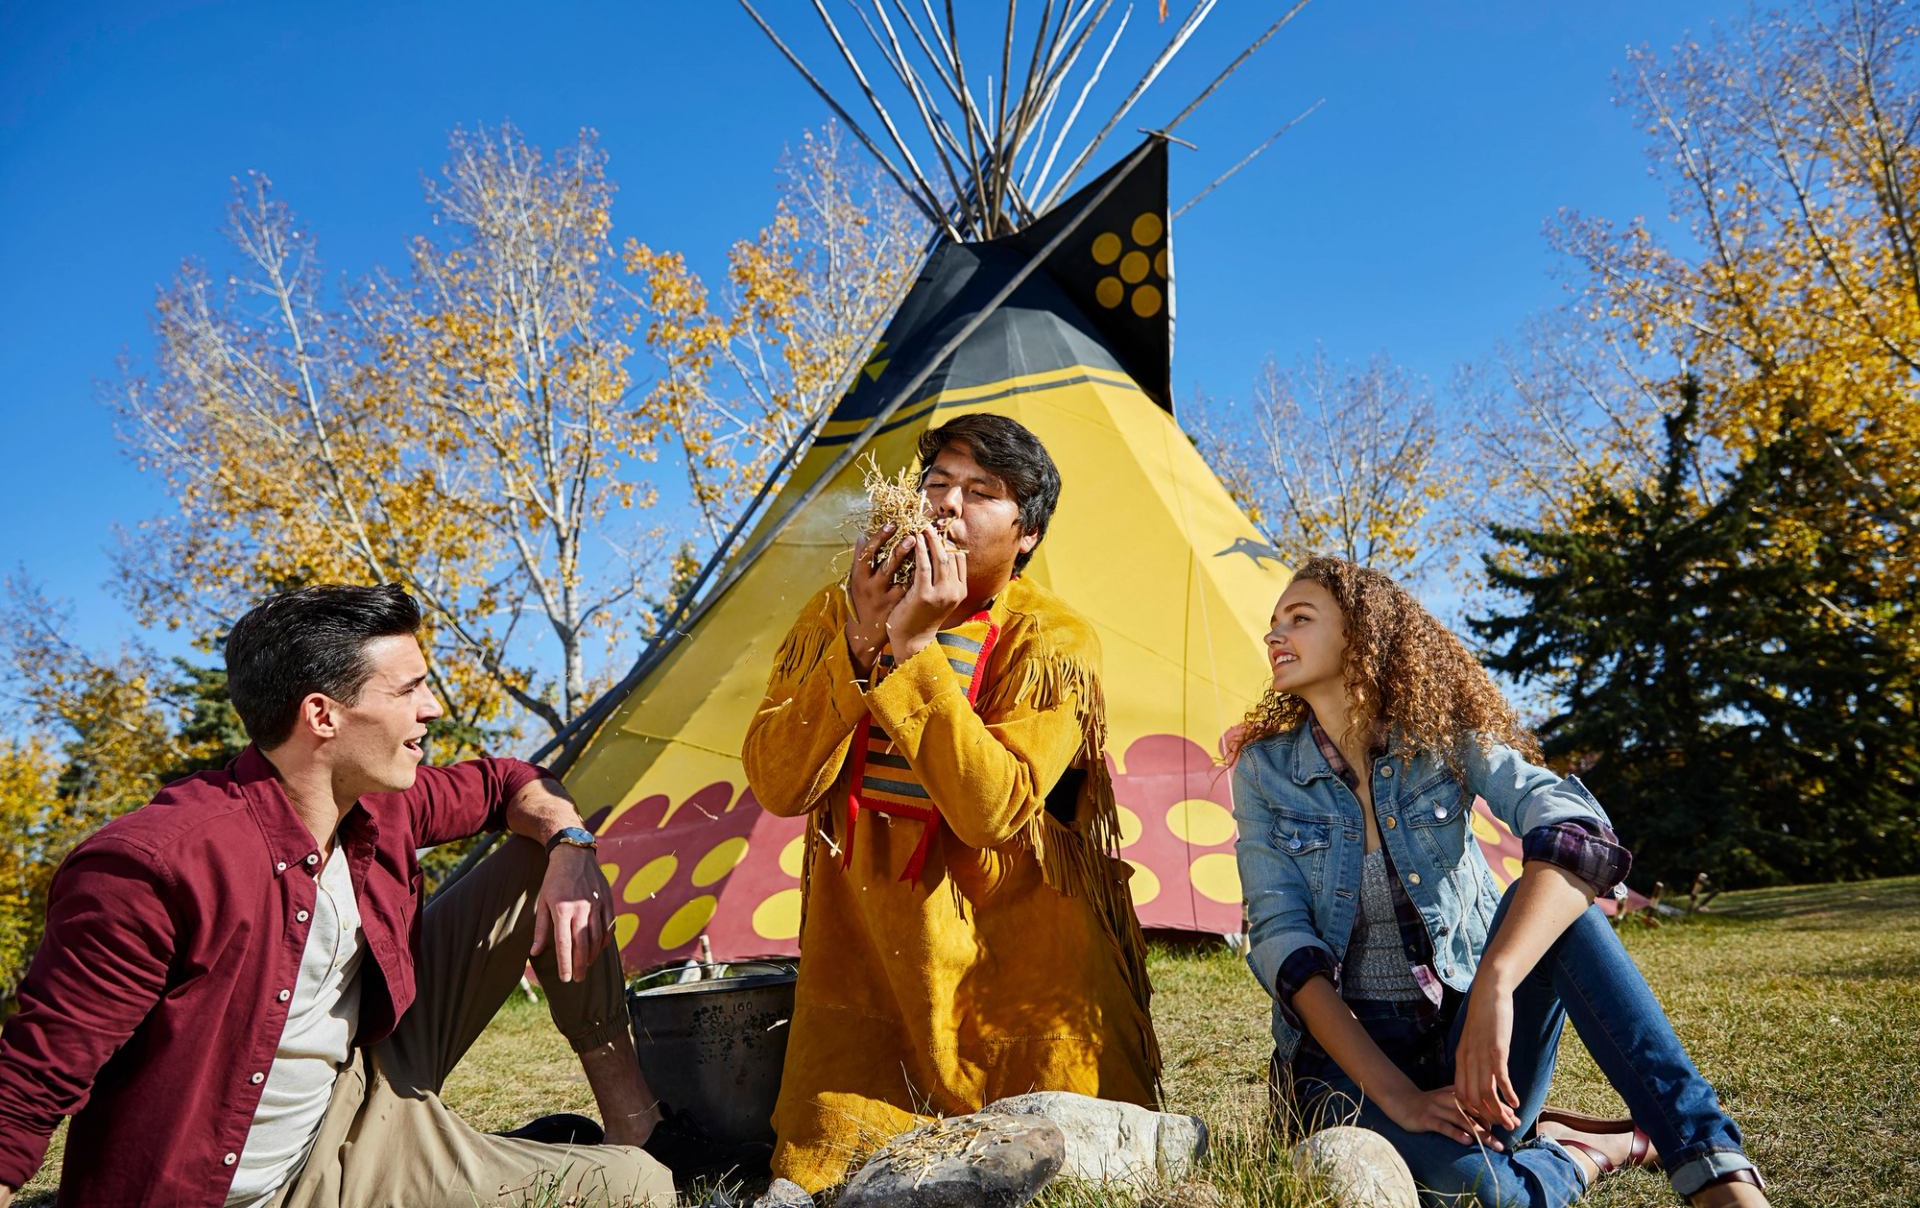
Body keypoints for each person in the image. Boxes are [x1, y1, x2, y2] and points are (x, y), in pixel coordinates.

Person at [0, 584, 675, 1208]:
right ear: (322, 715)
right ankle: (524, 1156)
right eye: (408, 689)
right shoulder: (154, 867)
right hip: (286, 1183)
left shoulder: (382, 805)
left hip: (365, 1077)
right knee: (640, 1191)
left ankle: (635, 1126)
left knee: (540, 855)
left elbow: (509, 781)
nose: (432, 708)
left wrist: (572, 847)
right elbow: (25, 1089)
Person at [1232, 556, 1769, 1207]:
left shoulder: (1442, 738)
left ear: (1362, 635)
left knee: (1565, 908)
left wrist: (1498, 980)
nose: (1273, 635)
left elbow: (1577, 831)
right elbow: (1283, 943)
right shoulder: (1264, 770)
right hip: (1349, 1069)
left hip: (1472, 1040)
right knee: (1477, 1197)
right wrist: (1400, 1100)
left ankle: (1713, 1171)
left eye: (1299, 618)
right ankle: (1579, 1152)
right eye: (1273, 623)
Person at [742, 412, 1160, 1191]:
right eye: (935, 485)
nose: (946, 506)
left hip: (1016, 995)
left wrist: (913, 650)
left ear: (1025, 533)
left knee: (1064, 1177)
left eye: (980, 492)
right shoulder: (837, 618)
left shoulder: (1053, 642)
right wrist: (863, 642)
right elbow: (778, 783)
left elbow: (992, 810)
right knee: (827, 1174)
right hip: (865, 987)